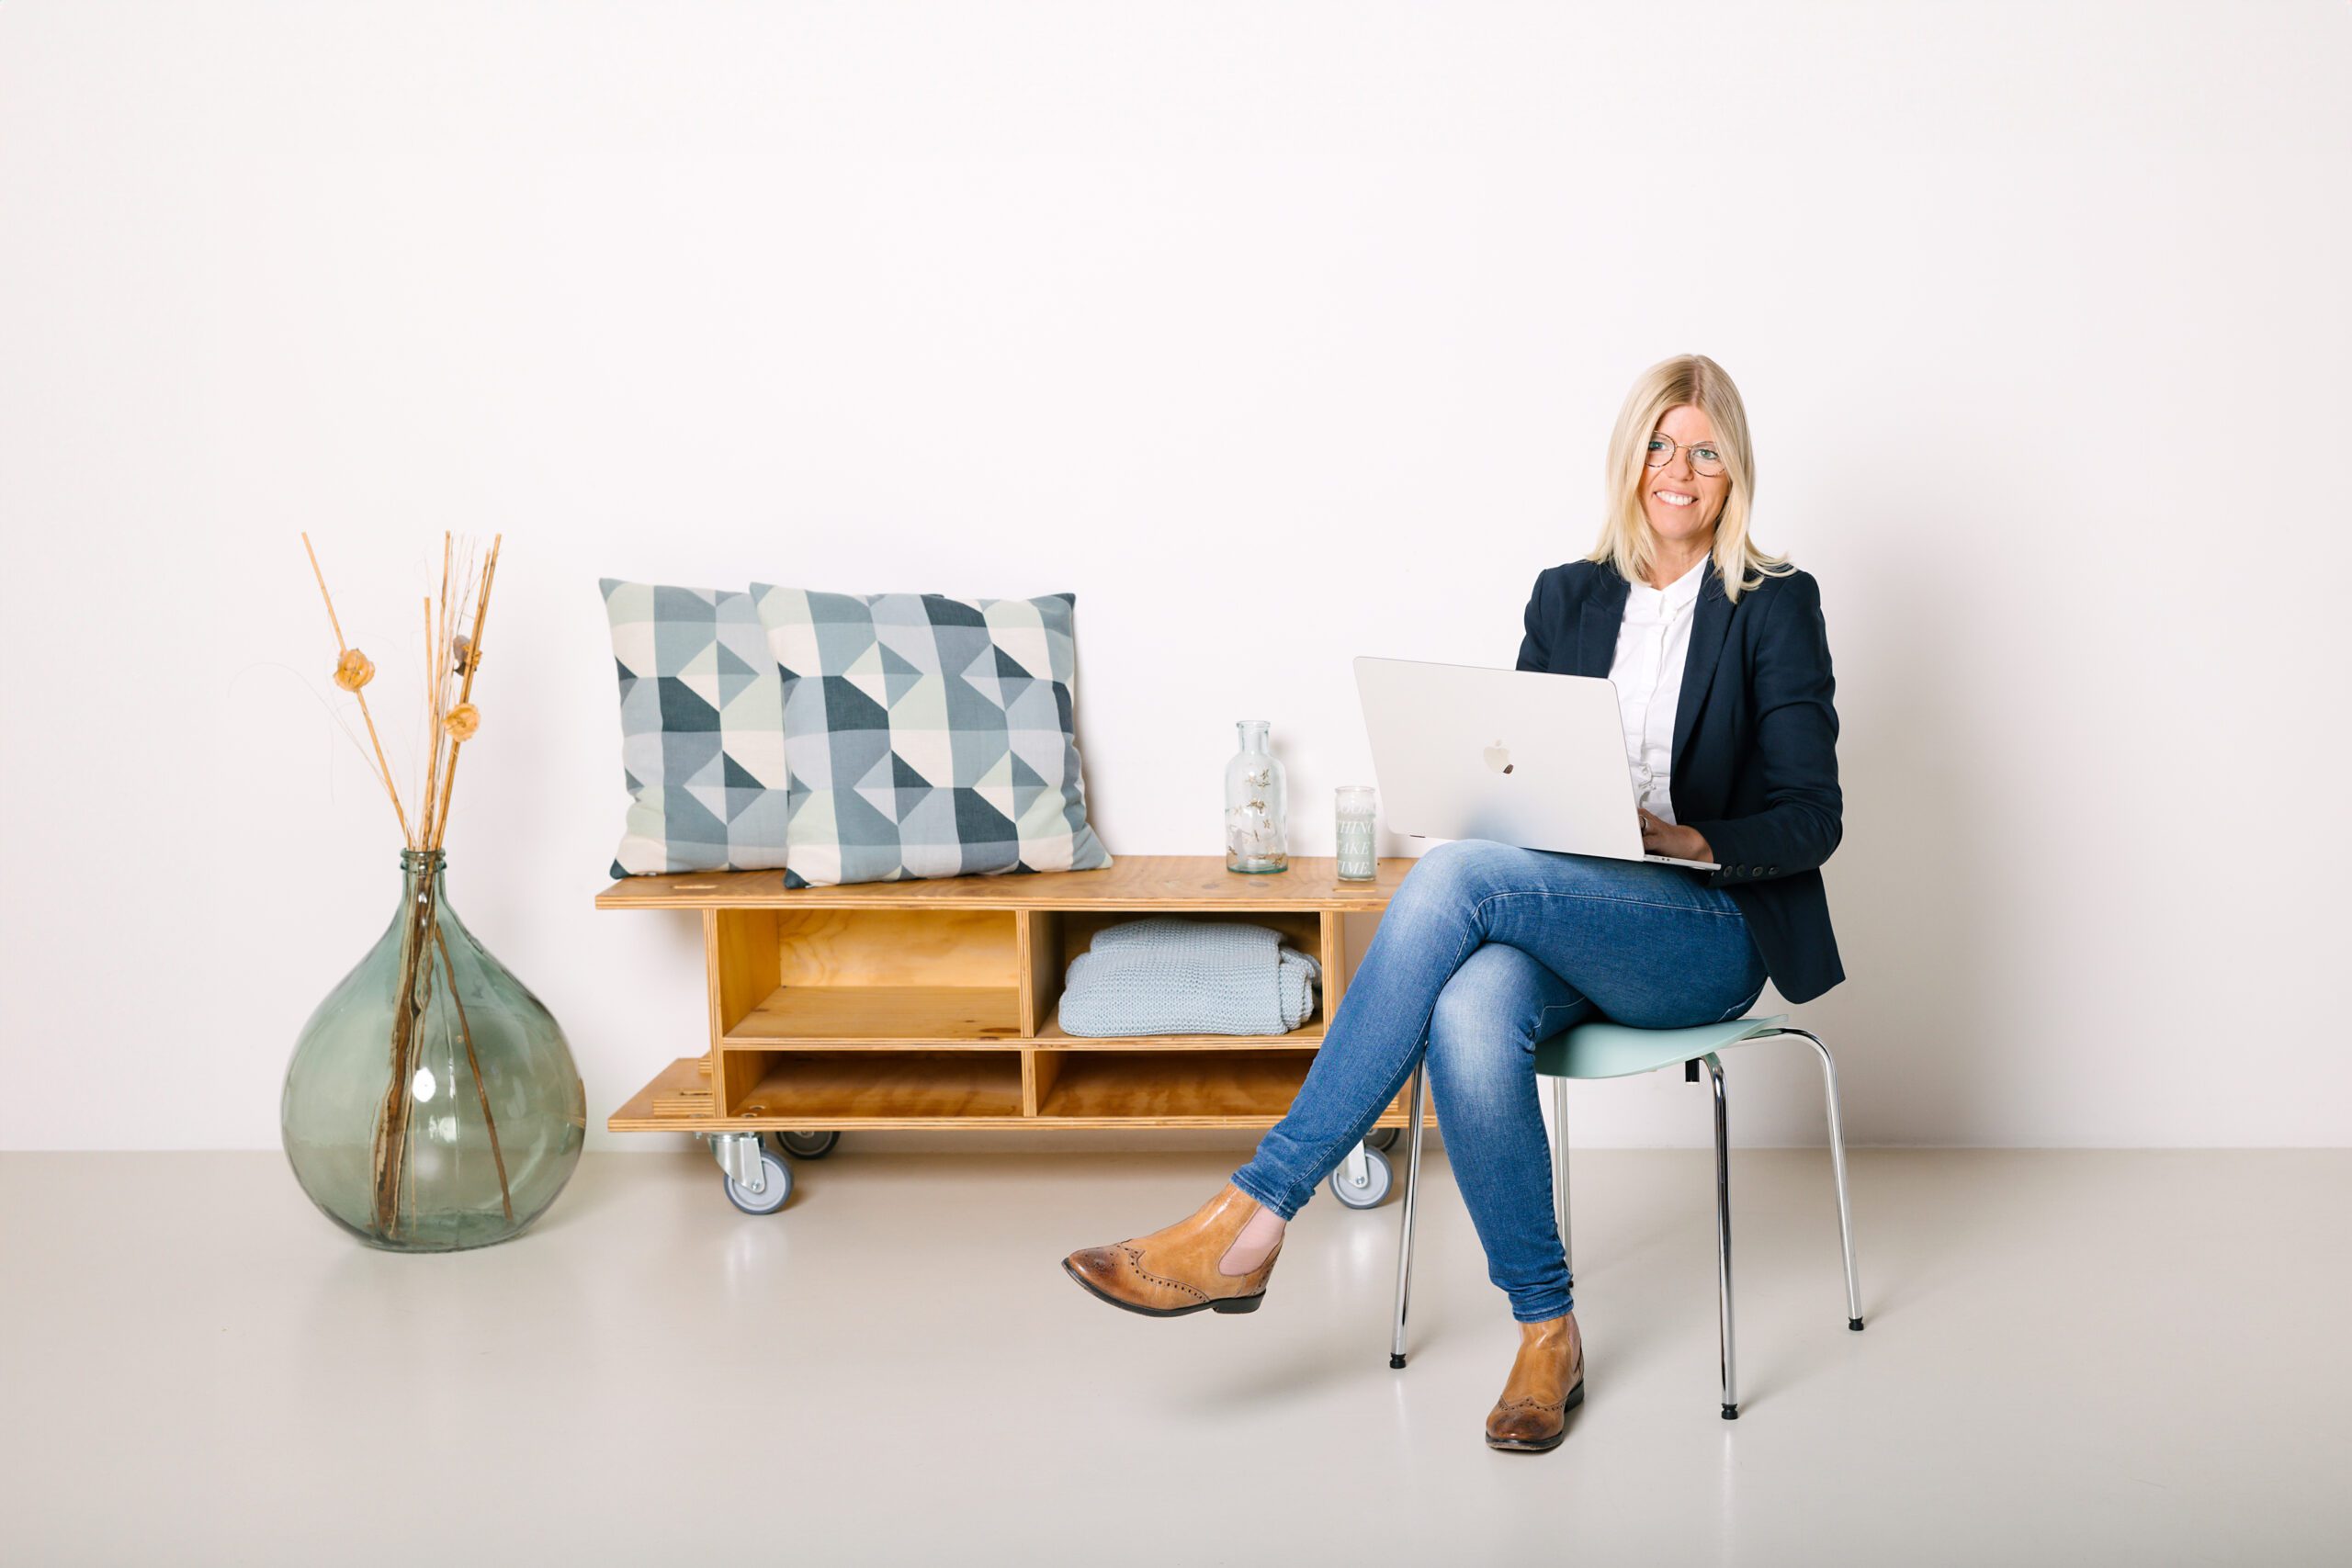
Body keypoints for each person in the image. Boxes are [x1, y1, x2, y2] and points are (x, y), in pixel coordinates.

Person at [1061, 353, 1844, 1455]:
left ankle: (1252, 1215)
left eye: (1704, 452)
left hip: (1701, 932)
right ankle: (1546, 1332)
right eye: (1660, 446)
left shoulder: (1774, 604)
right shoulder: (1567, 596)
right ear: (1629, 460)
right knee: (1472, 1006)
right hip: (1569, 908)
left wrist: (1682, 838)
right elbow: (1516, 772)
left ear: (1734, 471)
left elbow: (1813, 818)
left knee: (1456, 876)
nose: (1677, 470)